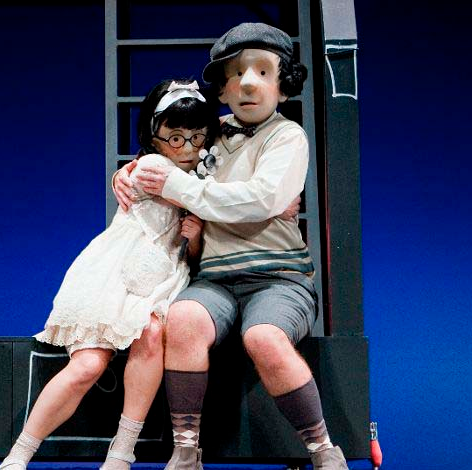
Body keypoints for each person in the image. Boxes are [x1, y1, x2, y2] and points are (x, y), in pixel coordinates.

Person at [113, 22, 348, 470]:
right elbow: (165, 151)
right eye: (236, 74)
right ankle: (186, 450)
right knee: (182, 320)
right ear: (221, 88)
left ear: (283, 86)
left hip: (278, 278)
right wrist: (127, 173)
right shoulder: (211, 132)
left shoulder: (286, 137)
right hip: (215, 279)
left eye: (263, 72)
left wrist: (181, 187)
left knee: (264, 337)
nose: (249, 84)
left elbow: (262, 198)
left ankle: (324, 450)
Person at [0, 78, 218, 470]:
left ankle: (122, 452)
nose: (187, 148)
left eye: (197, 137)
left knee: (151, 332)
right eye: (175, 138)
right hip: (115, 276)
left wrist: (196, 235)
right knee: (87, 366)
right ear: (154, 134)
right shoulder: (152, 167)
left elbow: (193, 249)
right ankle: (19, 454)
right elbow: (201, 194)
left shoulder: (195, 175)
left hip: (162, 279)